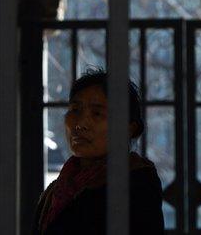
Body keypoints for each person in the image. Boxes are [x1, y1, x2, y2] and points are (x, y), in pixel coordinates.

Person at [34, 69, 166, 234]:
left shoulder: (135, 184)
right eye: (75, 110)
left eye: (97, 113)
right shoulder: (56, 191)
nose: (80, 123)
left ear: (128, 128)